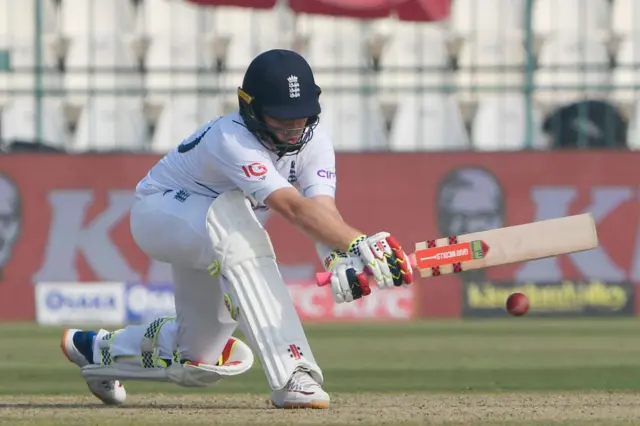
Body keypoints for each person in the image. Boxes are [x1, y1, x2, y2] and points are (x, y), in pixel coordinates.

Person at [59, 49, 413, 409]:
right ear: (251, 109)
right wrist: (359, 242)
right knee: (240, 233)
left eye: (300, 117)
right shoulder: (232, 138)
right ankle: (294, 374)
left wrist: (340, 257)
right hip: (159, 213)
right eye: (281, 118)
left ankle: (99, 348)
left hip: (210, 231)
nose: (292, 129)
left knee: (200, 359)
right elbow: (291, 207)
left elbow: (321, 209)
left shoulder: (316, 139)